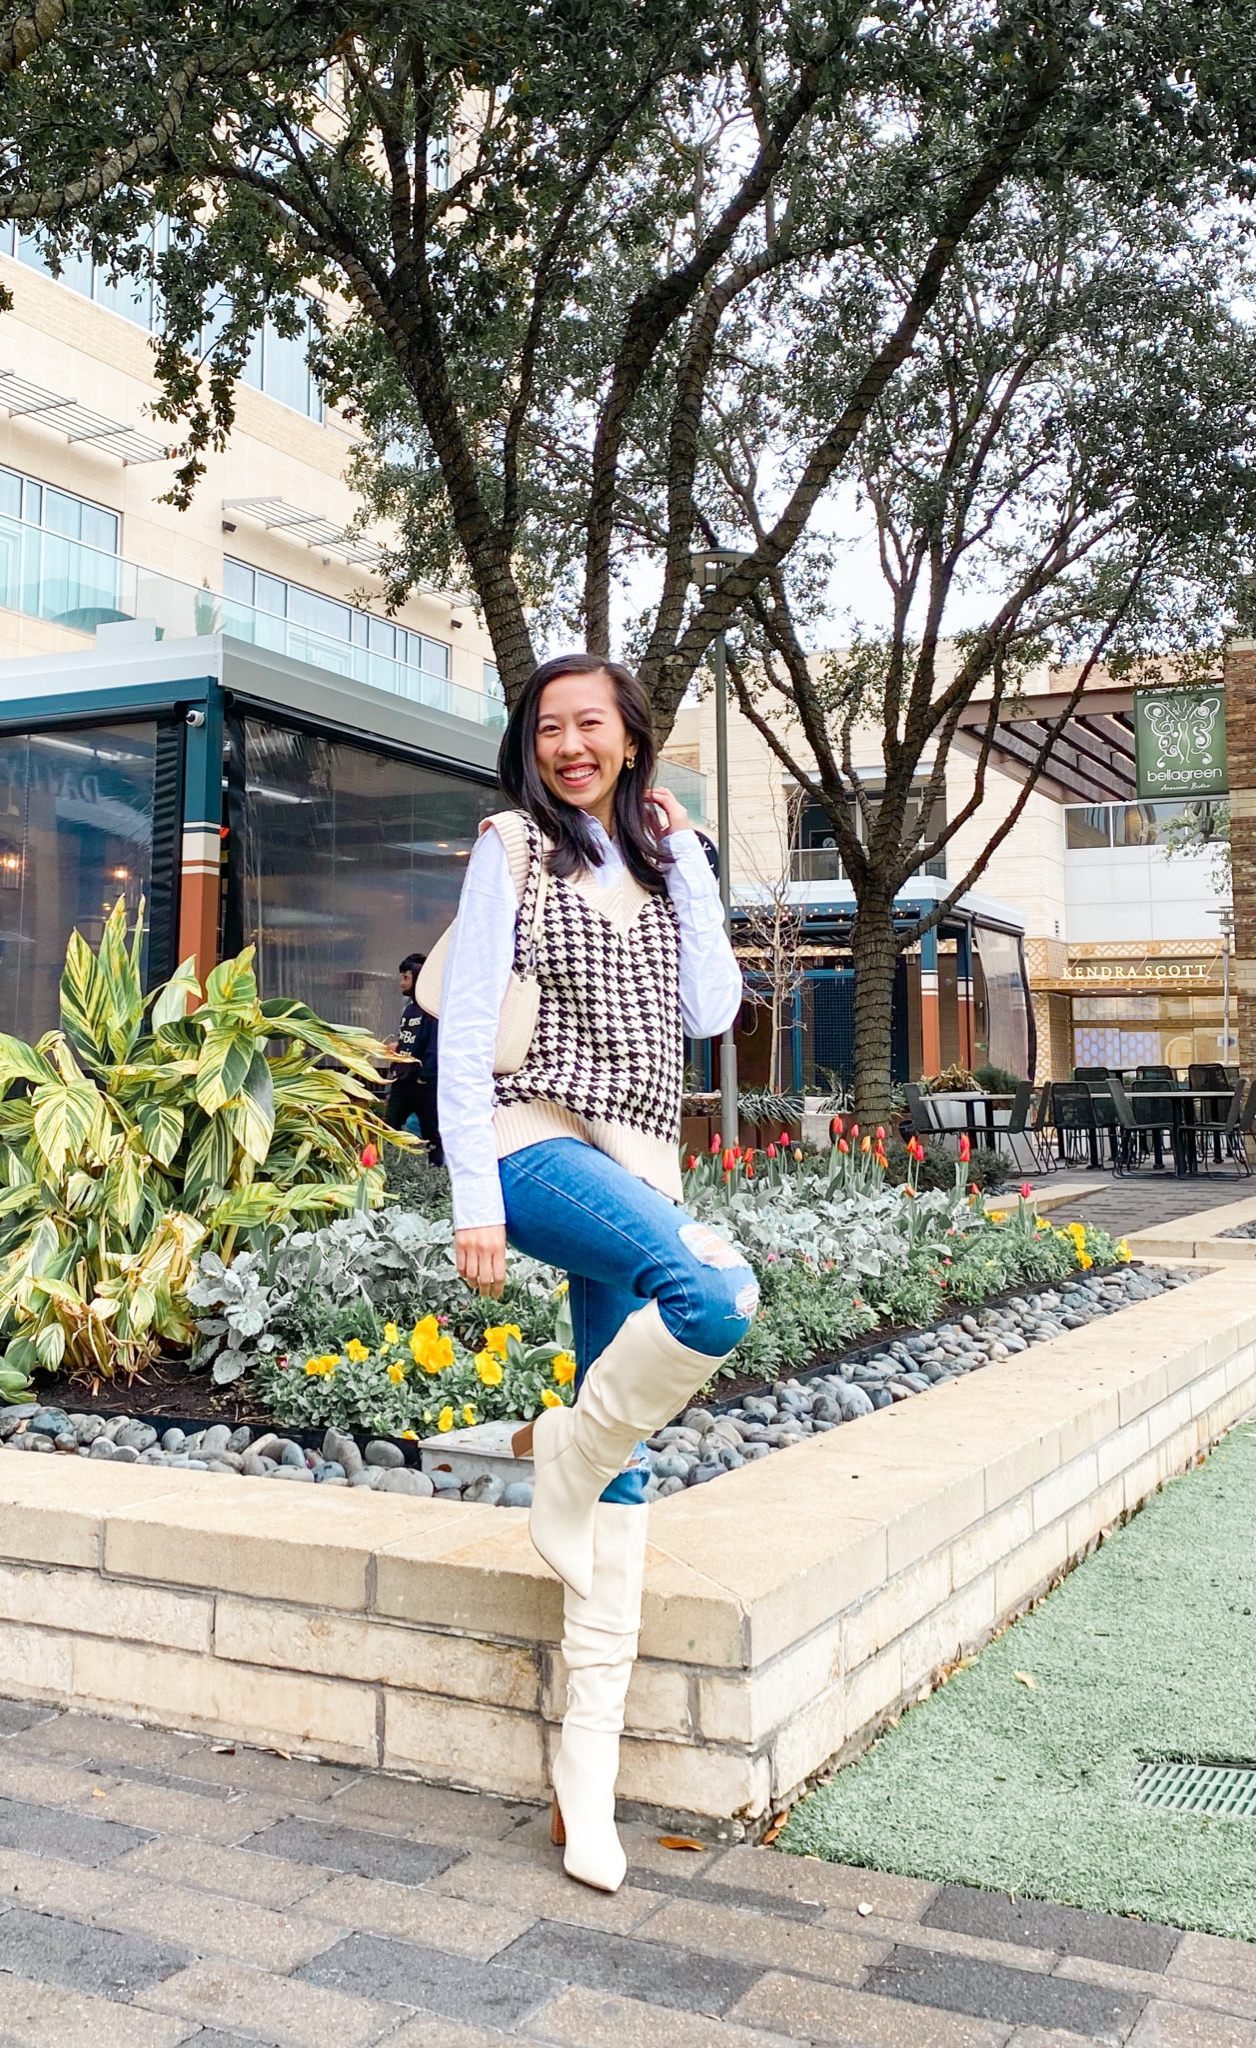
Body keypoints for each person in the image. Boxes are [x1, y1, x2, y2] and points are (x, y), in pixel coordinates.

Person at [438, 650, 753, 1894]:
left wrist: (697, 870)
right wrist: (471, 1194)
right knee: (717, 1295)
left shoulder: (662, 858)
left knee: (626, 1467)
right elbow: (467, 1023)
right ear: (534, 741)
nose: (571, 743)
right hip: (528, 1140)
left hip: (636, 1162)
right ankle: (562, 1456)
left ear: (631, 738)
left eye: (592, 725)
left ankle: (586, 1784)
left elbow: (713, 1010)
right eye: (550, 726)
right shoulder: (509, 846)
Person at [384, 952, 441, 1164]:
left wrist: (424, 1077)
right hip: (403, 1079)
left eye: (406, 977)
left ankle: (436, 1173)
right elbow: (414, 1040)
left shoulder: (431, 1010)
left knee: (432, 1134)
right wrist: (398, 1048)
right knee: (389, 1128)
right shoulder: (409, 1008)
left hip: (422, 1084)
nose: (401, 983)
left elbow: (434, 1047)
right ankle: (387, 1166)